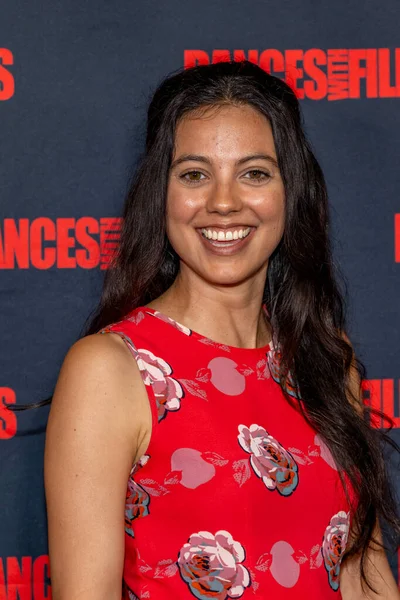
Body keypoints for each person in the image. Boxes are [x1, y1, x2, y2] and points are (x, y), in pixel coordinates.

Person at [42, 60, 400, 599]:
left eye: (254, 172)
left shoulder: (326, 360)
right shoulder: (113, 369)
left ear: (290, 191)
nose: (224, 201)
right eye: (194, 174)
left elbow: (364, 580)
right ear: (160, 195)